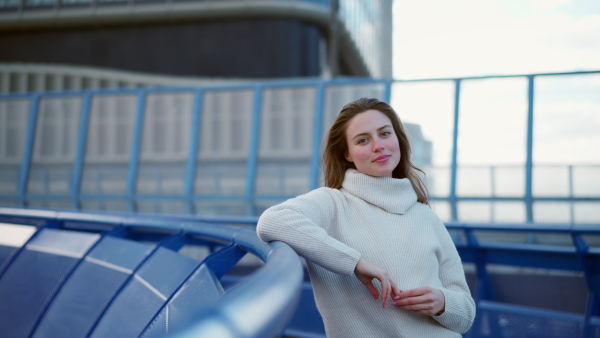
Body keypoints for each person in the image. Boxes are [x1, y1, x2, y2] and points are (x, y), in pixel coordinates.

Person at [256, 97, 475, 337]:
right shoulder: (332, 203)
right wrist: (355, 263)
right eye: (363, 140)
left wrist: (443, 302)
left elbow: (465, 315)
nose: (378, 146)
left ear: (397, 139)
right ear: (347, 154)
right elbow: (273, 221)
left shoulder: (426, 217)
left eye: (384, 134)